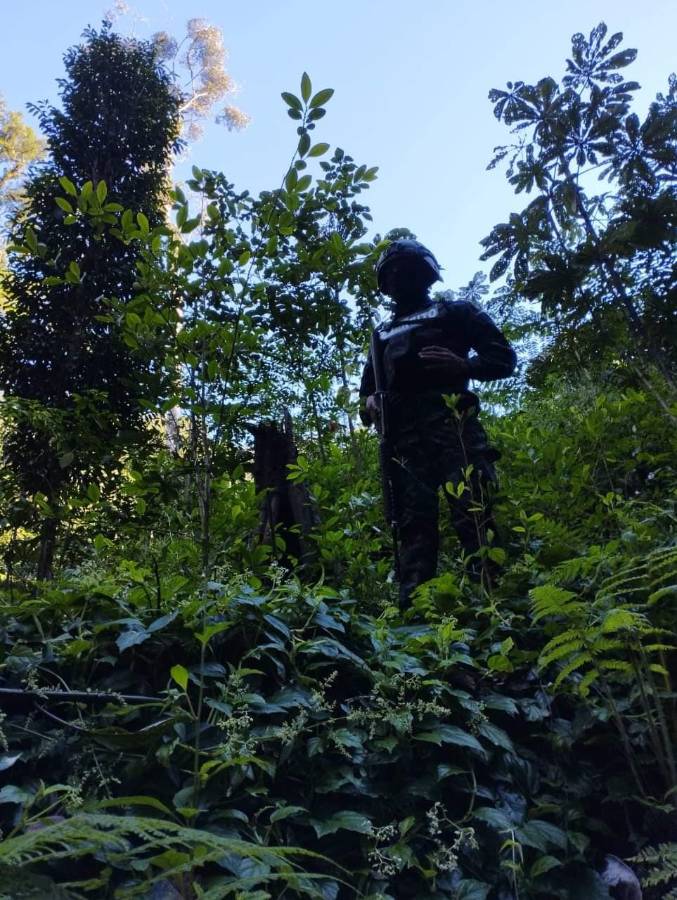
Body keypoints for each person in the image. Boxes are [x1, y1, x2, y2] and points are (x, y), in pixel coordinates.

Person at [359, 239, 517, 607]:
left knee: (474, 517)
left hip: (455, 431)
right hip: (404, 445)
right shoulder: (380, 336)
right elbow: (367, 395)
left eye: (407, 270)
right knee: (413, 531)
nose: (400, 278)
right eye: (392, 273)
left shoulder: (455, 313)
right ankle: (416, 614)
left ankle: (496, 605)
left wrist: (466, 366)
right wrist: (369, 403)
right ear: (385, 283)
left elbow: (503, 358)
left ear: (425, 273)